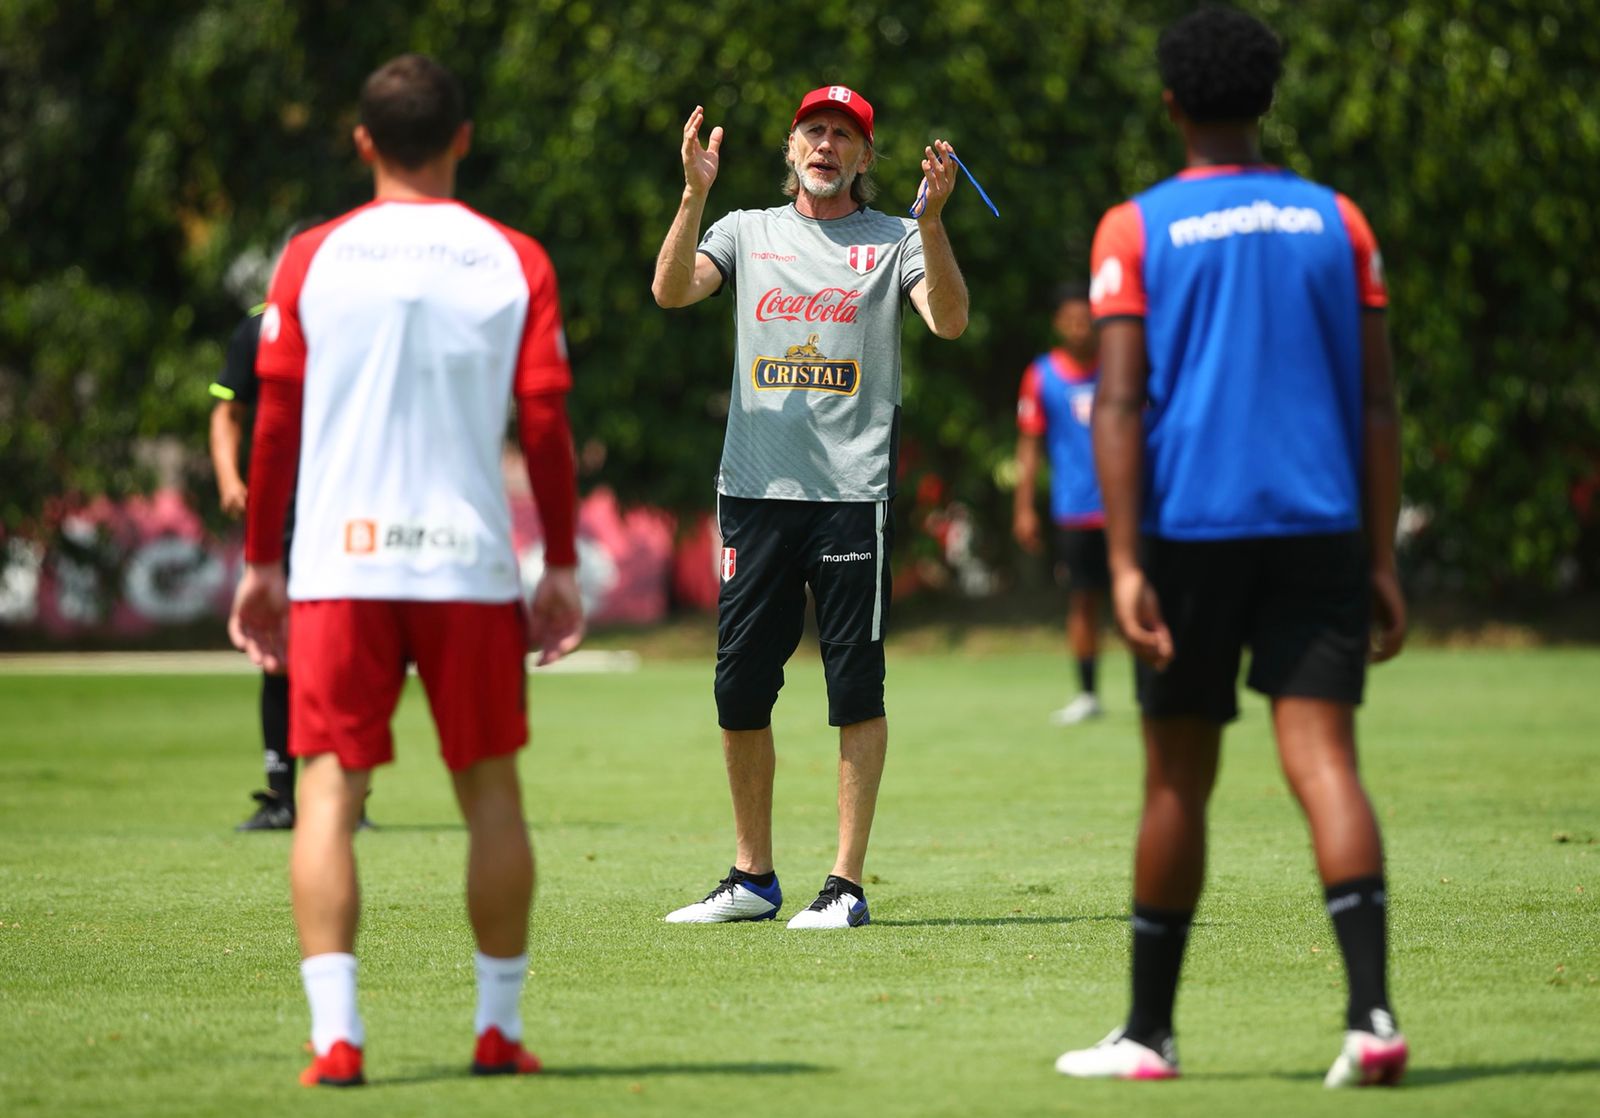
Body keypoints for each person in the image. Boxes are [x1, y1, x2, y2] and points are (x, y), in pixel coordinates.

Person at [1054, 7, 1409, 1088]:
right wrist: (1382, 556)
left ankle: (1148, 1035)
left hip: (1190, 535)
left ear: (1170, 103)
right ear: (1266, 99)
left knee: (1175, 783)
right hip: (1319, 527)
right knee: (1327, 764)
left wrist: (1121, 563)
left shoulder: (1134, 227)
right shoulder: (1335, 221)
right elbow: (1378, 401)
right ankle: (1372, 1016)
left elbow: (1117, 406)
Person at [228, 53, 584, 1086]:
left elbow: (273, 421)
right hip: (469, 567)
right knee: (493, 799)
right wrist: (558, 561)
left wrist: (261, 563)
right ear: (464, 137)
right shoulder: (514, 257)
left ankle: (337, 1038)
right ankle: (496, 1028)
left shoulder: (309, 257)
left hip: (338, 564)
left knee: (329, 794)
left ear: (363, 143)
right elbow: (548, 420)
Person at [651, 87, 969, 929]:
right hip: (754, 493)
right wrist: (692, 195)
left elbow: (950, 320)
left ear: (866, 159)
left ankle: (846, 886)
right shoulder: (745, 229)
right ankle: (753, 878)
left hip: (849, 497)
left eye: (844, 136)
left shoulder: (896, 239)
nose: (826, 146)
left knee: (853, 689)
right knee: (738, 691)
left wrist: (933, 225)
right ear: (791, 148)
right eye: (814, 132)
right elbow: (672, 290)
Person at [210, 307, 297, 830]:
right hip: (278, 509)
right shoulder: (257, 327)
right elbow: (226, 408)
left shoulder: (360, 310)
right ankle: (282, 795)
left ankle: (351, 796)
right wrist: (227, 478)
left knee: (347, 650)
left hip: (347, 509)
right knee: (276, 650)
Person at [1013, 281, 1108, 726]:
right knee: (1082, 601)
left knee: (1148, 598)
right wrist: (1024, 507)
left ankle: (1160, 686)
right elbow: (1029, 446)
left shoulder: (1122, 367)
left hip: (1131, 509)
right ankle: (1088, 693)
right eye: (1070, 319)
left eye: (1085, 317)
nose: (1079, 327)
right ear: (1057, 324)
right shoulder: (1042, 375)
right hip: (1075, 510)